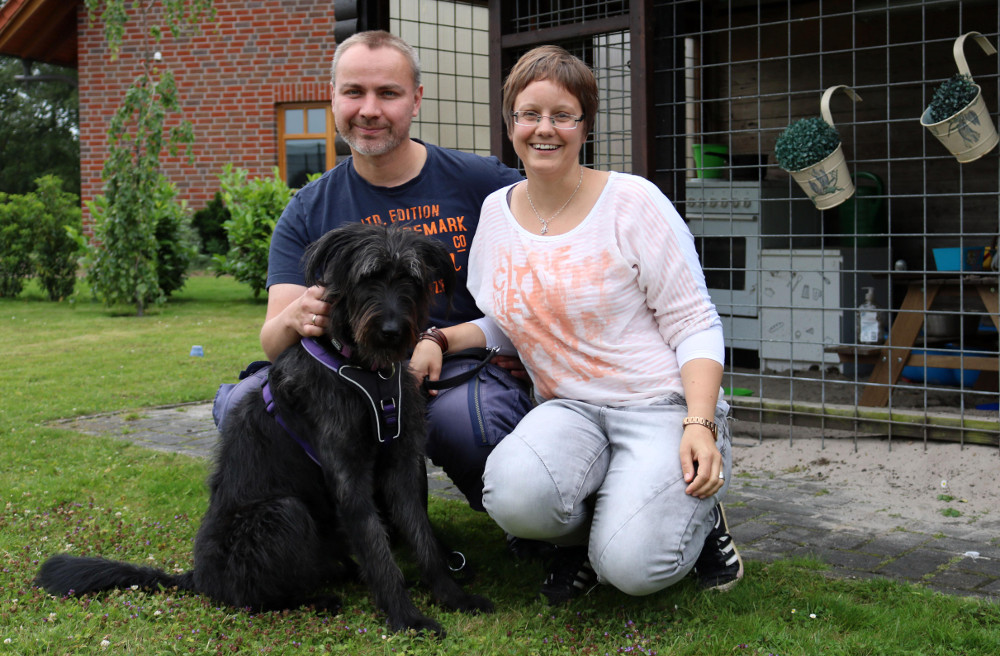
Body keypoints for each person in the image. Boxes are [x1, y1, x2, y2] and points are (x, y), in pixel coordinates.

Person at [409, 45, 743, 603]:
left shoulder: (633, 202)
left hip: (658, 405)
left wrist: (700, 422)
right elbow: (511, 320)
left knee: (632, 570)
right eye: (530, 114)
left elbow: (695, 322)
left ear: (585, 125)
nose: (545, 129)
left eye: (562, 115)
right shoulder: (495, 212)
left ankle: (699, 520)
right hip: (568, 409)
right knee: (511, 496)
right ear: (510, 123)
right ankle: (599, 526)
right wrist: (437, 338)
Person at [213, 30, 532, 513]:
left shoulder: (482, 182)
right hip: (348, 374)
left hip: (451, 367)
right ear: (333, 97)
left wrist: (527, 346)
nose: (369, 109)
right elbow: (274, 342)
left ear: (416, 100)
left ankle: (524, 521)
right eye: (353, 92)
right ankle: (347, 515)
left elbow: (551, 255)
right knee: (241, 405)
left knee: (466, 423)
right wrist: (296, 316)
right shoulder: (308, 209)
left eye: (387, 93)